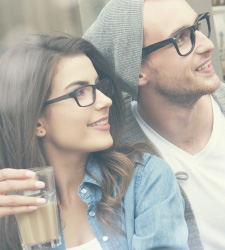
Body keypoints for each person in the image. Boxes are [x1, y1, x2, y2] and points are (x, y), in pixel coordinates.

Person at [0, 34, 188, 250]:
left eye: (99, 87)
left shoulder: (145, 179)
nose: (106, 101)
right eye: (80, 92)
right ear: (35, 121)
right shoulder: (8, 204)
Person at [83, 0, 225, 249]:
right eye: (181, 38)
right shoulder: (115, 154)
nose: (207, 44)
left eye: (198, 26)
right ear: (136, 70)